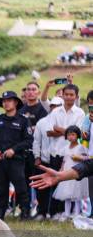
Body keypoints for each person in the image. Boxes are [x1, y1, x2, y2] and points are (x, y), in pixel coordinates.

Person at [0, 91, 33, 220]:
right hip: (0, 160)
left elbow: (28, 140)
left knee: (21, 188)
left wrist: (14, 150)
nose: (6, 103)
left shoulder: (23, 120)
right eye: (4, 101)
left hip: (16, 161)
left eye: (9, 100)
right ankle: (0, 214)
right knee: (1, 189)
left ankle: (25, 213)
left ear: (15, 102)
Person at [44, 84, 86, 218]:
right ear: (62, 95)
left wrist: (60, 129)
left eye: (71, 95)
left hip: (73, 154)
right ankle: (55, 212)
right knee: (56, 183)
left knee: (72, 184)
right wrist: (69, 131)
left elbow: (77, 133)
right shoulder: (55, 112)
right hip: (56, 152)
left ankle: (71, 213)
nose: (68, 97)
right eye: (66, 94)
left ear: (76, 96)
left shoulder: (80, 113)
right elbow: (49, 131)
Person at [32, 97, 64, 220]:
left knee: (59, 188)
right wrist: (37, 156)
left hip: (59, 160)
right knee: (42, 188)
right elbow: (36, 141)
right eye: (52, 106)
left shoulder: (65, 123)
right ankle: (42, 212)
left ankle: (56, 212)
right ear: (49, 107)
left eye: (57, 106)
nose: (54, 108)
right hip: (44, 160)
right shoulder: (42, 122)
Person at [52, 126, 89, 220]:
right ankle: (67, 213)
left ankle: (76, 214)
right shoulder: (65, 148)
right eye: (68, 134)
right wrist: (60, 171)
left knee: (77, 195)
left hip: (77, 172)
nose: (70, 137)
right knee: (66, 194)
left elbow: (87, 158)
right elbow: (64, 160)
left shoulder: (81, 147)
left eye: (73, 134)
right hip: (67, 171)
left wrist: (78, 157)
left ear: (77, 135)